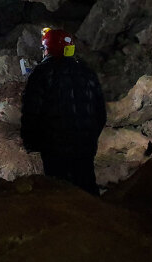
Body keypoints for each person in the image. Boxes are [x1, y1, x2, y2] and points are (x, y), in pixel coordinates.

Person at [21, 28, 106, 196]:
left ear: (47, 49)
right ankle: (96, 219)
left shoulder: (41, 73)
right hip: (84, 144)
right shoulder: (86, 72)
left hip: (55, 145)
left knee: (59, 191)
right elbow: (100, 112)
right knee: (86, 186)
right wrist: (90, 135)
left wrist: (30, 141)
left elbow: (32, 111)